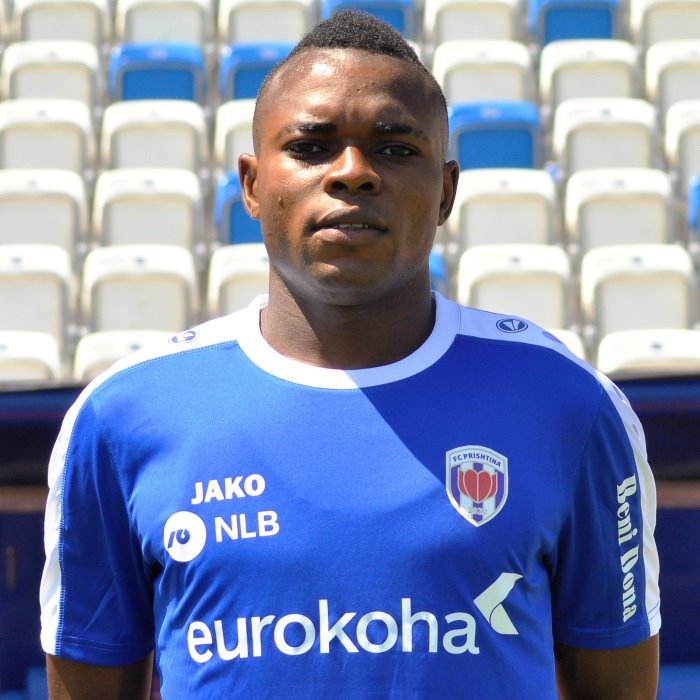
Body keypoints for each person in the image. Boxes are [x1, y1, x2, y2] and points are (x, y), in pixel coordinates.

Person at [41, 10, 660, 699]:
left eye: (395, 149)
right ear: (251, 185)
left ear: (447, 191)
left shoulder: (566, 404)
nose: (354, 173)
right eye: (311, 147)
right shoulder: (124, 416)